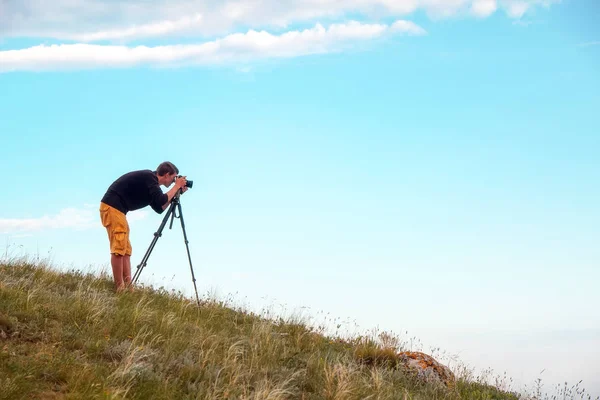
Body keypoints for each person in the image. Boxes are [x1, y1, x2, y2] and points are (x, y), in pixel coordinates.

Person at [99, 161, 188, 292]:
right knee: (119, 246)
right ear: (167, 174)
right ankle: (119, 287)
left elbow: (160, 207)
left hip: (118, 210)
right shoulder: (149, 177)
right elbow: (161, 200)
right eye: (175, 177)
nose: (175, 181)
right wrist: (176, 187)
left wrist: (176, 192)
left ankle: (129, 288)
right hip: (112, 207)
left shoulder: (152, 185)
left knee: (126, 249)